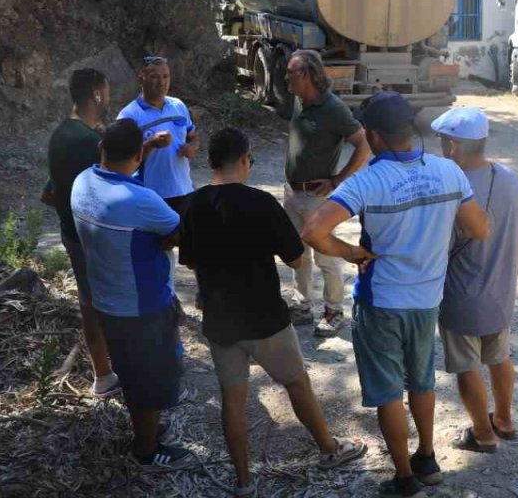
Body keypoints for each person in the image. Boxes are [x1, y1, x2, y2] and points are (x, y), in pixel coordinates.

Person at [301, 91, 490, 498]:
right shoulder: (448, 172)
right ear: (410, 131)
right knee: (421, 382)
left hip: (382, 300)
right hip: (426, 300)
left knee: (388, 390)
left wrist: (352, 252)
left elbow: (312, 232)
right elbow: (480, 228)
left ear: (372, 135)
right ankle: (427, 458)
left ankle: (403, 478)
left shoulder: (368, 180)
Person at [179, 127, 367, 495]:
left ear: (211, 161)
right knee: (296, 382)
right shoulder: (261, 203)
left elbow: (191, 261)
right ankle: (329, 449)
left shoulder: (194, 204)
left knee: (232, 401)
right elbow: (298, 260)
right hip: (265, 318)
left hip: (220, 321)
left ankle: (244, 481)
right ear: (246, 159)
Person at [71, 118, 192, 468]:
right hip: (142, 306)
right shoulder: (143, 200)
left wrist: (146, 147)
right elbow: (177, 232)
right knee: (150, 380)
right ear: (139, 154)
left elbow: (121, 193)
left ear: (101, 149)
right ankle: (146, 450)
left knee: (132, 371)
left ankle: (147, 427)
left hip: (105, 299)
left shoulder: (83, 183)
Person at [431, 107, 518, 454]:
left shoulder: (451, 189)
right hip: (501, 291)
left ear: (454, 146)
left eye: (443, 142)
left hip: (462, 295)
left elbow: (438, 247)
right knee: (499, 355)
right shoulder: (513, 179)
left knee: (467, 365)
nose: (441, 147)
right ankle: (504, 420)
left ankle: (483, 434)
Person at [41, 69, 119, 399]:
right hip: (94, 239)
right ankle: (117, 375)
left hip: (71, 235)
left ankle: (103, 373)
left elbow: (49, 193)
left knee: (88, 305)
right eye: (107, 90)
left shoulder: (60, 134)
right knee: (109, 307)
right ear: (96, 95)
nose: (110, 96)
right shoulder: (90, 143)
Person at [283, 49, 371, 336]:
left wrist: (337, 180)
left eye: (291, 72)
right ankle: (302, 304)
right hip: (292, 191)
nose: (286, 77)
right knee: (297, 252)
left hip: (317, 196)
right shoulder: (298, 100)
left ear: (306, 75)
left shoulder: (333, 108)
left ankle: (334, 310)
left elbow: (363, 145)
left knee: (325, 255)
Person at [117, 55, 198, 215]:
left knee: (186, 238)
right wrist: (151, 144)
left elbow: (193, 135)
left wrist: (192, 147)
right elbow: (121, 162)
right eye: (155, 77)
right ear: (142, 79)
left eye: (165, 76)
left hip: (184, 191)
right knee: (157, 241)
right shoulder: (129, 115)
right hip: (151, 196)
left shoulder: (178, 106)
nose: (162, 82)